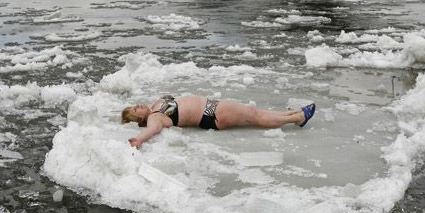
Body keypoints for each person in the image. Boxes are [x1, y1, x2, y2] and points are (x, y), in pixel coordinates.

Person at [121, 95, 315, 148]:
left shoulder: (156, 105)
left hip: (211, 107)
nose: (136, 106)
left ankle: (295, 114)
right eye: (134, 111)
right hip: (210, 114)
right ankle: (298, 118)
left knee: (254, 112)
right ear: (140, 119)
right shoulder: (155, 118)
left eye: (134, 106)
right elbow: (152, 130)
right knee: (254, 115)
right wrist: (139, 139)